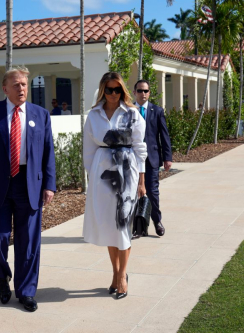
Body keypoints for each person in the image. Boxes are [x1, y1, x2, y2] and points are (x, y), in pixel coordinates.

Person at [0, 66, 56, 312]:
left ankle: (27, 291)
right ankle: (2, 276)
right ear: (5, 88)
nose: (22, 89)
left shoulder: (40, 114)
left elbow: (48, 152)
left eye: (25, 84)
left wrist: (49, 185)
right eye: (16, 84)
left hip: (29, 184)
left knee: (28, 241)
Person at [83, 72, 147, 299]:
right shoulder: (93, 115)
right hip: (103, 175)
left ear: (122, 91)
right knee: (110, 228)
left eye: (117, 89)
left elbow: (140, 148)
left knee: (123, 225)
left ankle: (122, 277)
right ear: (103, 90)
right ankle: (115, 274)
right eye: (108, 90)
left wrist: (141, 181)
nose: (112, 94)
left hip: (127, 173)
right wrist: (91, 179)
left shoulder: (133, 113)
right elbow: (88, 151)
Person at [133, 80, 172, 237]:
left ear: (149, 93)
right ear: (134, 92)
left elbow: (164, 136)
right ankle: (137, 226)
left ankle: (157, 221)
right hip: (132, 159)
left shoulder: (157, 111)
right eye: (140, 91)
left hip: (152, 159)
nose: (143, 93)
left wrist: (167, 157)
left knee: (153, 193)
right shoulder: (128, 111)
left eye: (146, 91)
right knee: (133, 193)